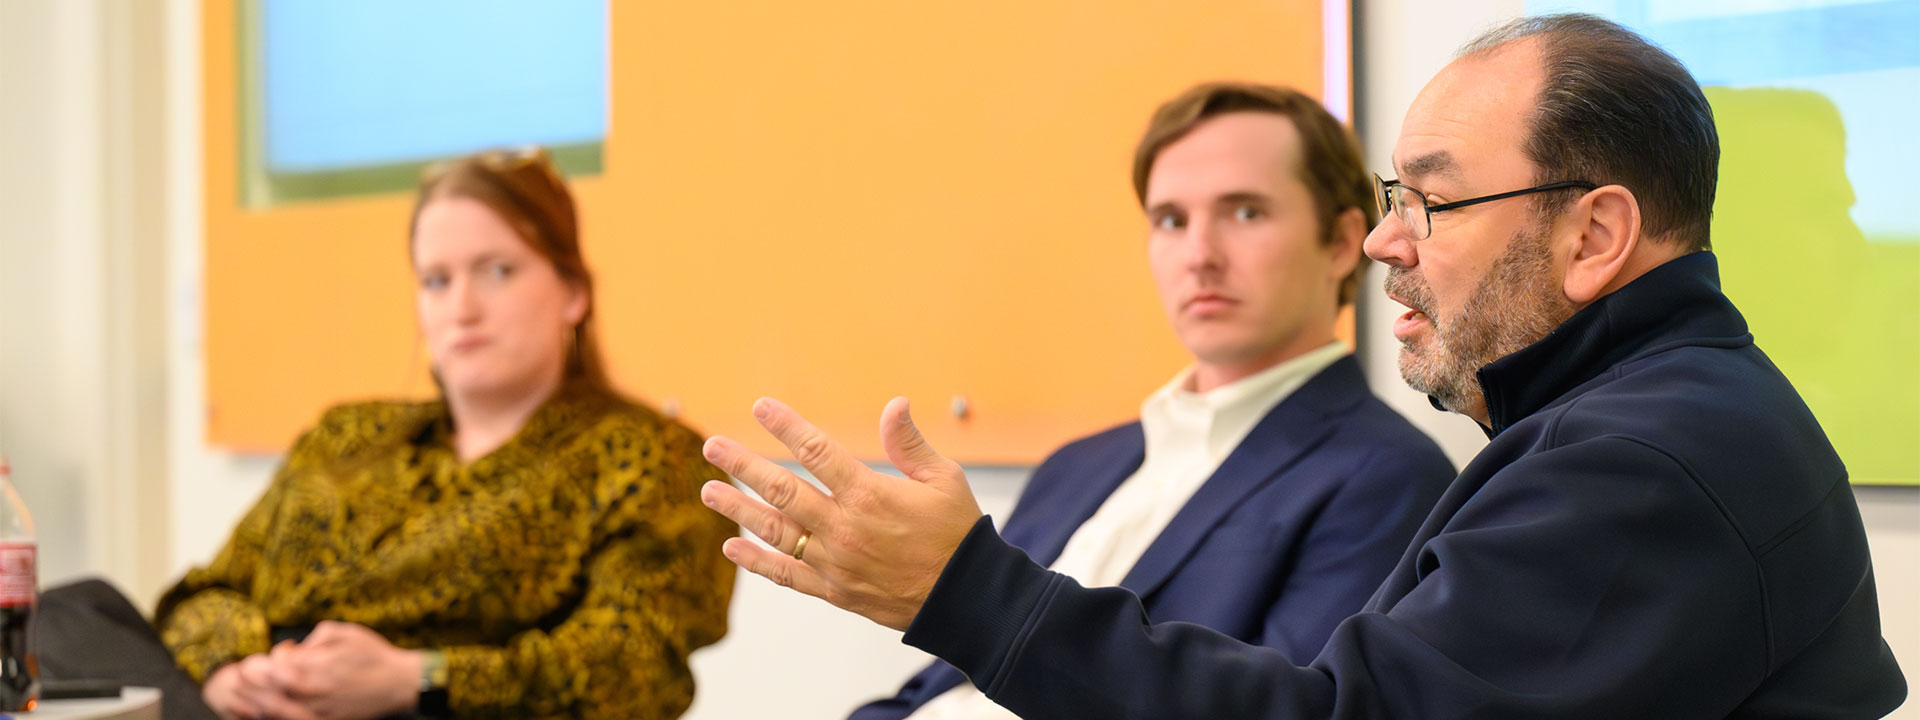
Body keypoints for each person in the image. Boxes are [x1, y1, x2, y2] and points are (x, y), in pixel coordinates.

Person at [697, 13, 1908, 719]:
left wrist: (965, 591)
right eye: (1392, 197)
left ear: (1594, 237)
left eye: (1430, 201)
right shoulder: (1640, 422)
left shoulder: (1643, 465)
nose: (1388, 241)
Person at [852, 82, 1453, 720]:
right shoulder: (1074, 466)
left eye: (1246, 212)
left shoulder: (1389, 478)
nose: (1199, 256)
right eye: (1171, 220)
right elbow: (936, 690)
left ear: (1341, 241)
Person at [154, 147, 737, 720]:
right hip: (251, 706)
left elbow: (634, 668)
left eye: (497, 271)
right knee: (98, 616)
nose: (462, 308)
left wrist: (417, 679)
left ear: (574, 293)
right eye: (436, 280)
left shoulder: (654, 459)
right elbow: (203, 596)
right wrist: (231, 674)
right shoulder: (344, 437)